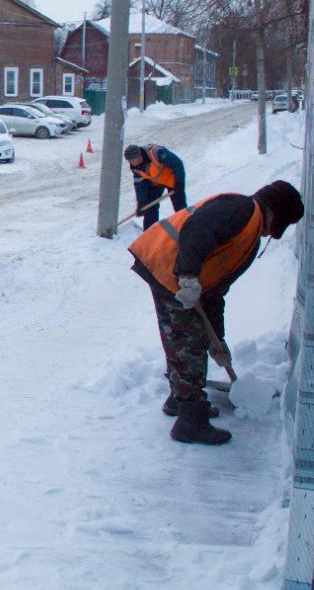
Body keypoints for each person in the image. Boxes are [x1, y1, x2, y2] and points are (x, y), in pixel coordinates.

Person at [128, 180, 304, 445]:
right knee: (187, 342)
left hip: (177, 274)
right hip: (168, 267)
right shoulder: (241, 209)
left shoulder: (250, 233)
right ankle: (190, 420)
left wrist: (217, 339)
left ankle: (182, 400)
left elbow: (215, 291)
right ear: (275, 214)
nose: (272, 234)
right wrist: (187, 277)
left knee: (192, 338)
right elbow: (195, 232)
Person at [124, 144, 186, 229]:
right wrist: (141, 204)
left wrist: (179, 182)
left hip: (173, 179)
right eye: (129, 161)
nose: (131, 163)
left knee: (179, 205)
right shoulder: (136, 168)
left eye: (133, 160)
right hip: (157, 183)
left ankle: (186, 226)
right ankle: (150, 233)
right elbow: (140, 187)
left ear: (139, 155)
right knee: (149, 207)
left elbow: (177, 163)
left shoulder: (157, 152)